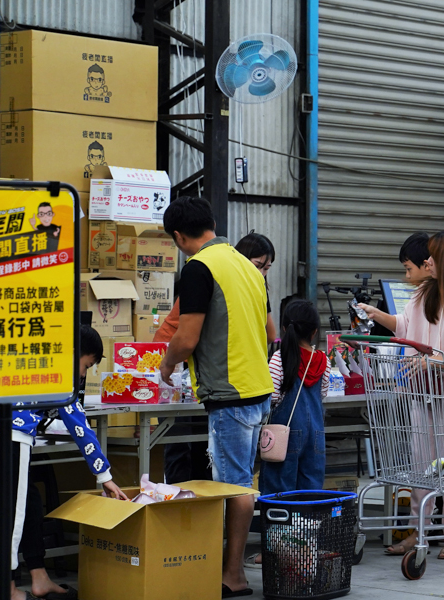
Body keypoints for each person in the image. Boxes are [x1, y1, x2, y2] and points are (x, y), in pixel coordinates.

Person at [359, 228, 444, 560]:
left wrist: (439, 363)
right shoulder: (423, 295)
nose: (427, 260)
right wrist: (379, 317)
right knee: (421, 469)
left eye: (433, 255)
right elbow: (407, 327)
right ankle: (418, 531)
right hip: (422, 397)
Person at [159, 197, 272, 598]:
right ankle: (230, 568)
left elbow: (186, 338)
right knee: (243, 482)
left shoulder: (198, 268)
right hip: (259, 391)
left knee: (235, 487)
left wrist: (166, 364)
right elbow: (271, 332)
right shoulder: (247, 265)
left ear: (178, 236)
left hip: (230, 396)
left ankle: (233, 575)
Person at [0, 324, 129, 600]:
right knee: (12, 518)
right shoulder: (60, 373)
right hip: (12, 438)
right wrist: (105, 476)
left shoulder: (40, 359)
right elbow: (80, 429)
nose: (83, 374)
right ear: (76, 354)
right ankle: (8, 589)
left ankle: (39, 577)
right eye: (86, 365)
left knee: (30, 506)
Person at [246, 299, 330, 569]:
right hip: (315, 436)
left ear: (284, 328)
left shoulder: (280, 357)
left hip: (284, 435)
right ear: (314, 332)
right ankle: (305, 550)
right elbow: (323, 394)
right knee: (309, 492)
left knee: (278, 492)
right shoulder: (322, 360)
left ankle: (274, 551)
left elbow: (271, 395)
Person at [154, 232, 277, 345]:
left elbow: (270, 335)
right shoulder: (215, 279)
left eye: (266, 269)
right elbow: (188, 337)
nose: (260, 273)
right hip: (174, 348)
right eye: (257, 266)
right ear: (241, 259)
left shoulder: (257, 288)